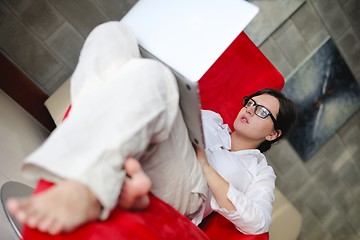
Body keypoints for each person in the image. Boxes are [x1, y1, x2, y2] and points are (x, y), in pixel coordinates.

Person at [6, 21, 296, 235]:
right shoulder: (211, 119)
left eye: (261, 111)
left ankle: (83, 182)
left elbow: (258, 221)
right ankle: (91, 174)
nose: (248, 109)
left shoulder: (260, 172)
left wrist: (206, 167)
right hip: (156, 145)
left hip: (191, 191)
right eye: (250, 102)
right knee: (112, 34)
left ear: (273, 134)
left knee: (155, 76)